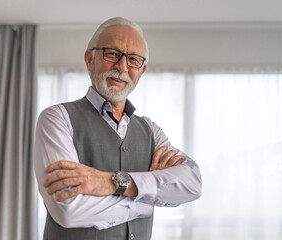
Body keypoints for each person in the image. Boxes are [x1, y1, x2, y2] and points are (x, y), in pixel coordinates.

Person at [33, 17, 202, 240]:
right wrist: (145, 202)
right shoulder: (57, 119)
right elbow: (68, 210)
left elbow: (192, 184)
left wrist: (112, 182)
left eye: (133, 60)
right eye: (112, 54)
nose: (122, 67)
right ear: (89, 59)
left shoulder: (151, 130)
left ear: (141, 71)